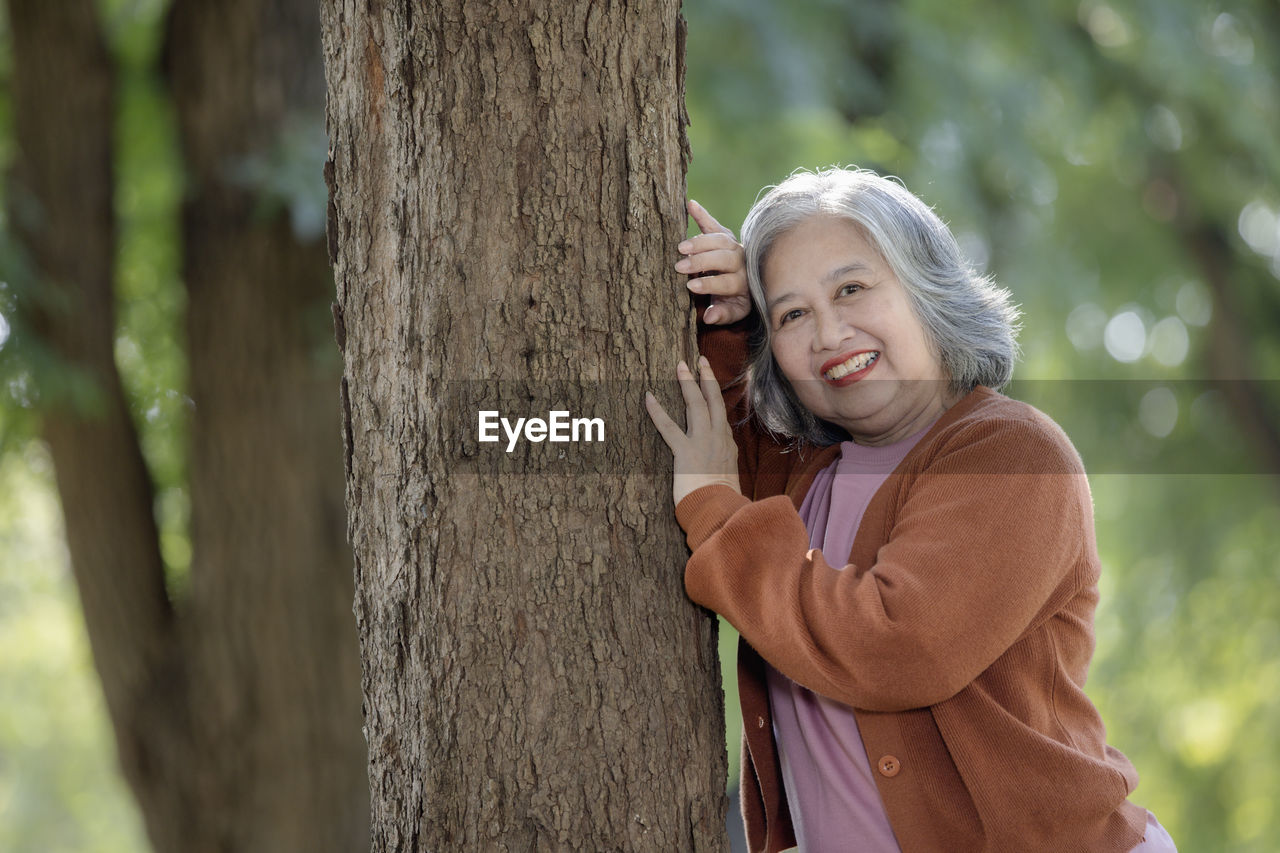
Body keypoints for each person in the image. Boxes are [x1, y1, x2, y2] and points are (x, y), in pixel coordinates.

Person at [644, 167, 1176, 853]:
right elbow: (711, 434)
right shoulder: (807, 472)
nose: (830, 332)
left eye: (852, 288)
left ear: (927, 289)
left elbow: (898, 645)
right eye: (793, 314)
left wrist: (718, 515)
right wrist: (727, 315)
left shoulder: (1010, 452)